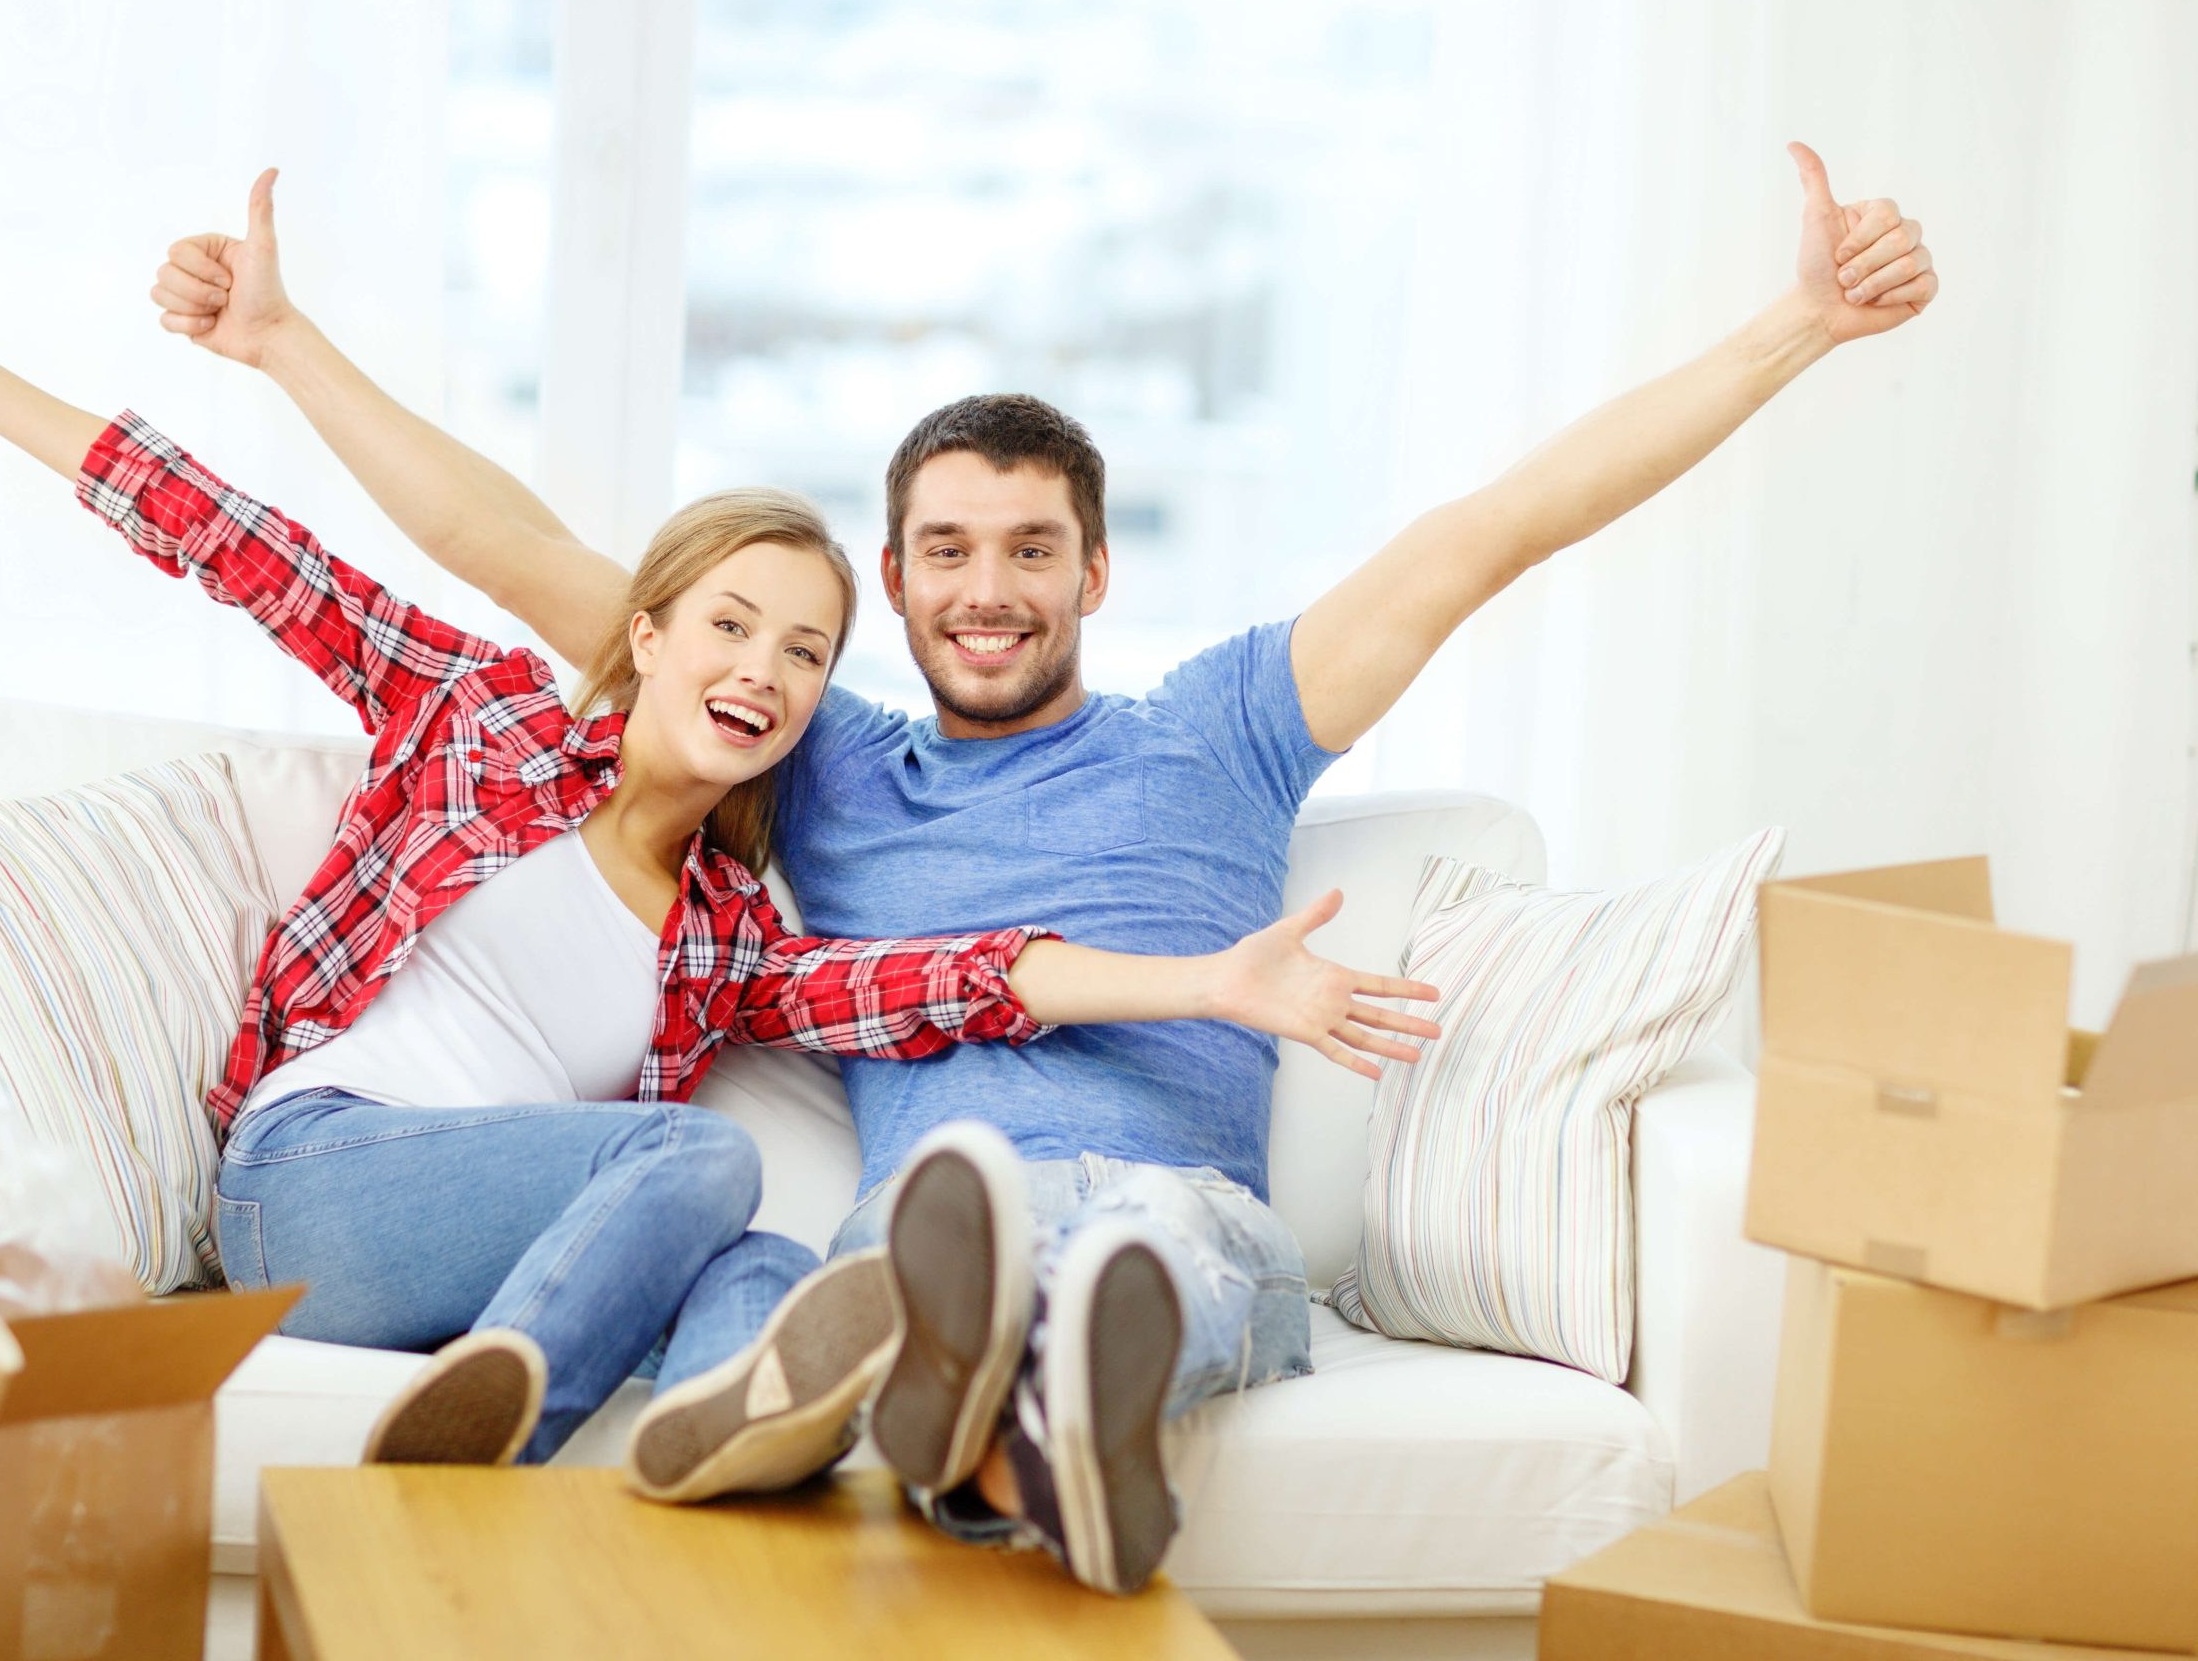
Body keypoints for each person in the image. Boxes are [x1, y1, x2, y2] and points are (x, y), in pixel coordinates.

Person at [144, 142, 1937, 1589]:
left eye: (1026, 548)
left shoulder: (1226, 727)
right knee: (772, 1283)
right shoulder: (825, 755)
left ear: (1093, 574)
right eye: (942, 551)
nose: (982, 586)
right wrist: (286, 348)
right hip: (905, 1243)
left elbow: (1492, 536)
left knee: (1139, 1246)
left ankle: (1048, 1409)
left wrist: (1792, 329)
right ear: (899, 584)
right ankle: (915, 1466)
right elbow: (513, 547)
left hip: (1160, 1207)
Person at [0, 245, 1442, 1507]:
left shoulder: (729, 938)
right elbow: (231, 537)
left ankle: (738, 1477)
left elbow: (976, 974)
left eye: (801, 653)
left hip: (507, 1230)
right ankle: (513, 1410)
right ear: (646, 636)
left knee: (778, 1279)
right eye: (727, 625)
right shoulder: (475, 720)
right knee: (698, 1157)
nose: (763, 671)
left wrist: (1218, 983)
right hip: (317, 1183)